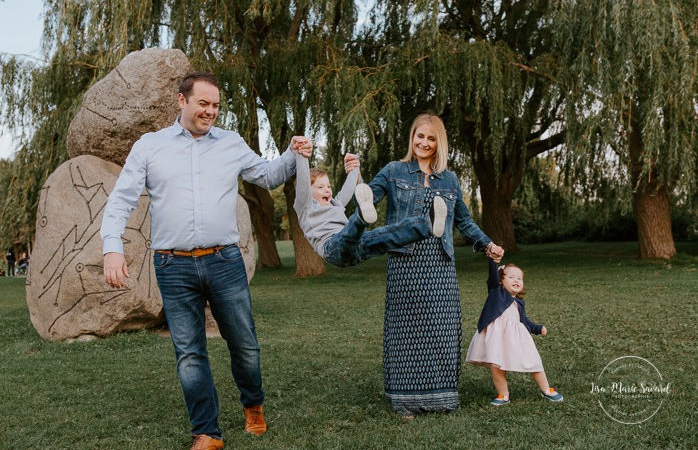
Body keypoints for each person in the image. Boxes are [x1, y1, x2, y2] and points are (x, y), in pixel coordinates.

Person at [100, 71, 313, 450]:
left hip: (225, 261)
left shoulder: (231, 144)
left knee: (244, 344)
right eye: (203, 103)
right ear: (181, 102)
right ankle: (207, 433)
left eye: (215, 105)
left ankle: (253, 405)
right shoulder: (149, 146)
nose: (210, 111)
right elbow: (121, 199)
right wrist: (112, 246)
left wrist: (292, 154)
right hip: (172, 265)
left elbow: (266, 176)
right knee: (189, 353)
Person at [365, 113, 504, 418]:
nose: (424, 143)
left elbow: (464, 221)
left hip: (440, 261)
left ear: (438, 142)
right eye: (420, 136)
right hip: (405, 260)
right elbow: (366, 202)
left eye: (431, 138)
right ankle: (405, 401)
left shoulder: (450, 180)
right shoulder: (393, 171)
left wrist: (487, 243)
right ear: (411, 136)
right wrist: (355, 186)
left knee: (442, 328)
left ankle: (442, 397)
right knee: (406, 330)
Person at [293, 153, 447, 267]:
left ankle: (428, 225)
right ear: (308, 191)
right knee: (348, 233)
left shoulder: (336, 203)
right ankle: (362, 215)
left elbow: (350, 186)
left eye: (328, 186)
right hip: (332, 248)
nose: (327, 190)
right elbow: (302, 182)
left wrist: (355, 166)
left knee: (388, 235)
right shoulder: (305, 206)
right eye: (320, 187)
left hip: (357, 247)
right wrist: (301, 155)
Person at [465, 259, 563, 405]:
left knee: (534, 362)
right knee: (496, 367)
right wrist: (493, 261)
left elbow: (524, 321)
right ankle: (503, 395)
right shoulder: (496, 293)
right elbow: (492, 276)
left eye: (519, 278)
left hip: (517, 339)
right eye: (510, 277)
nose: (516, 280)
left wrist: (536, 328)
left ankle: (546, 389)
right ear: (500, 281)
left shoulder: (519, 303)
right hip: (497, 339)